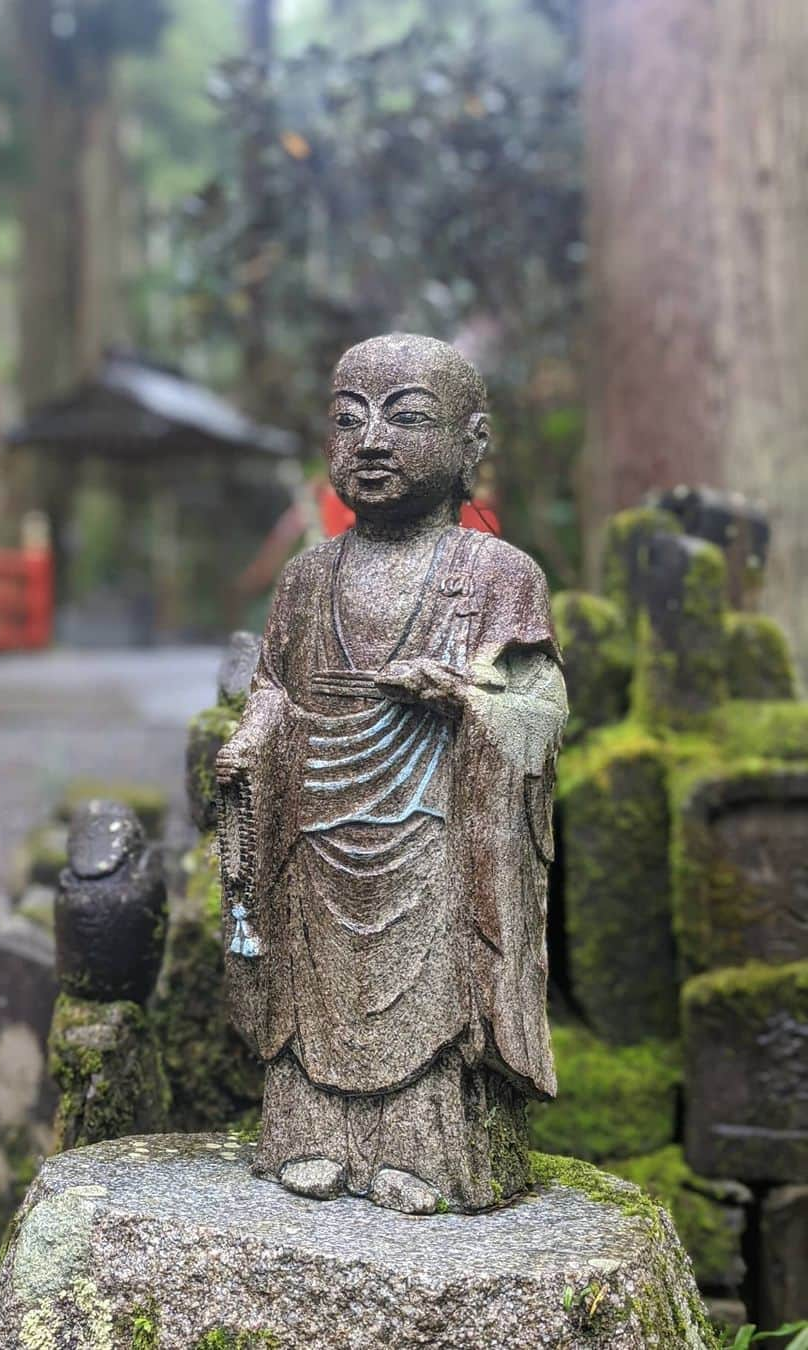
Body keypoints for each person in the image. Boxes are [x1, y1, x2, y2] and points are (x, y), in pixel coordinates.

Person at [216, 333, 567, 1214]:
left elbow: (539, 703)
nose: (370, 440)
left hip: (436, 826)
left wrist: (465, 696)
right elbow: (273, 690)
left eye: (405, 417)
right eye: (347, 418)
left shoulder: (498, 574)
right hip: (313, 824)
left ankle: (425, 1149)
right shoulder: (304, 580)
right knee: (312, 981)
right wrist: (251, 744)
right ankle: (312, 1134)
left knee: (431, 982)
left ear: (471, 443)